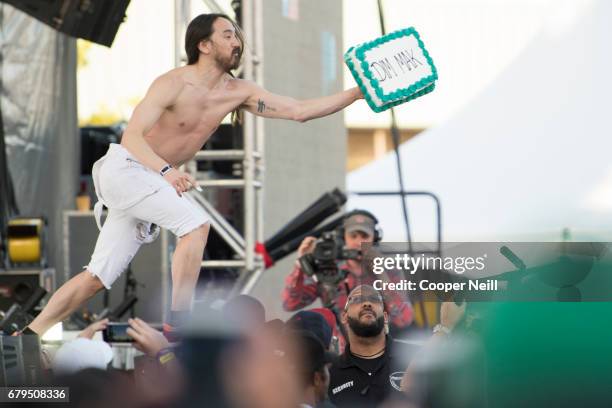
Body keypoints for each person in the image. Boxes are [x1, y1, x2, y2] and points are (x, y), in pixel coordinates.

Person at [26, 13, 364, 337]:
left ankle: (28, 333)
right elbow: (131, 137)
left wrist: (358, 92)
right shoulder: (173, 83)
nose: (237, 42)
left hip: (150, 181)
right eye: (228, 35)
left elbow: (299, 111)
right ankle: (179, 322)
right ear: (204, 45)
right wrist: (167, 171)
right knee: (196, 225)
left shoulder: (239, 92)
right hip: (127, 168)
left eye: (238, 36)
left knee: (96, 278)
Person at [282, 211, 413, 335]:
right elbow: (290, 303)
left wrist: (382, 277)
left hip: (376, 350)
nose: (358, 242)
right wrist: (301, 265)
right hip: (338, 351)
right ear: (343, 238)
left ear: (375, 238)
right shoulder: (328, 267)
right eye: (353, 236)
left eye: (364, 236)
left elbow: (403, 319)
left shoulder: (389, 270)